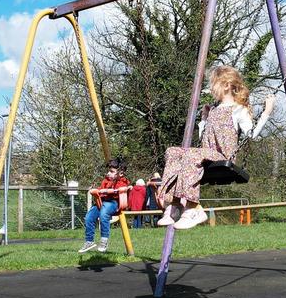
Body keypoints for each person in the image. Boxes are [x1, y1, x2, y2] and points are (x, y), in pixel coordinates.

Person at [158, 65, 275, 230]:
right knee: (173, 151)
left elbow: (252, 135)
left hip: (222, 157)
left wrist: (266, 112)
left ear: (226, 85)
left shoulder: (238, 110)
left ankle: (193, 208)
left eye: (214, 84)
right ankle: (174, 204)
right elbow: (203, 139)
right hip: (206, 154)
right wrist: (204, 119)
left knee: (191, 155)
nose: (211, 88)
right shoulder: (213, 109)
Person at [78, 158, 129, 253]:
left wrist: (108, 191)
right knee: (89, 217)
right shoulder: (106, 180)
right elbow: (101, 189)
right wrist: (96, 191)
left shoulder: (122, 181)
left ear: (120, 173)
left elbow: (122, 188)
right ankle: (89, 241)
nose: (108, 173)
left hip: (114, 203)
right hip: (102, 203)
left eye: (111, 171)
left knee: (103, 214)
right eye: (108, 171)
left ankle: (104, 240)